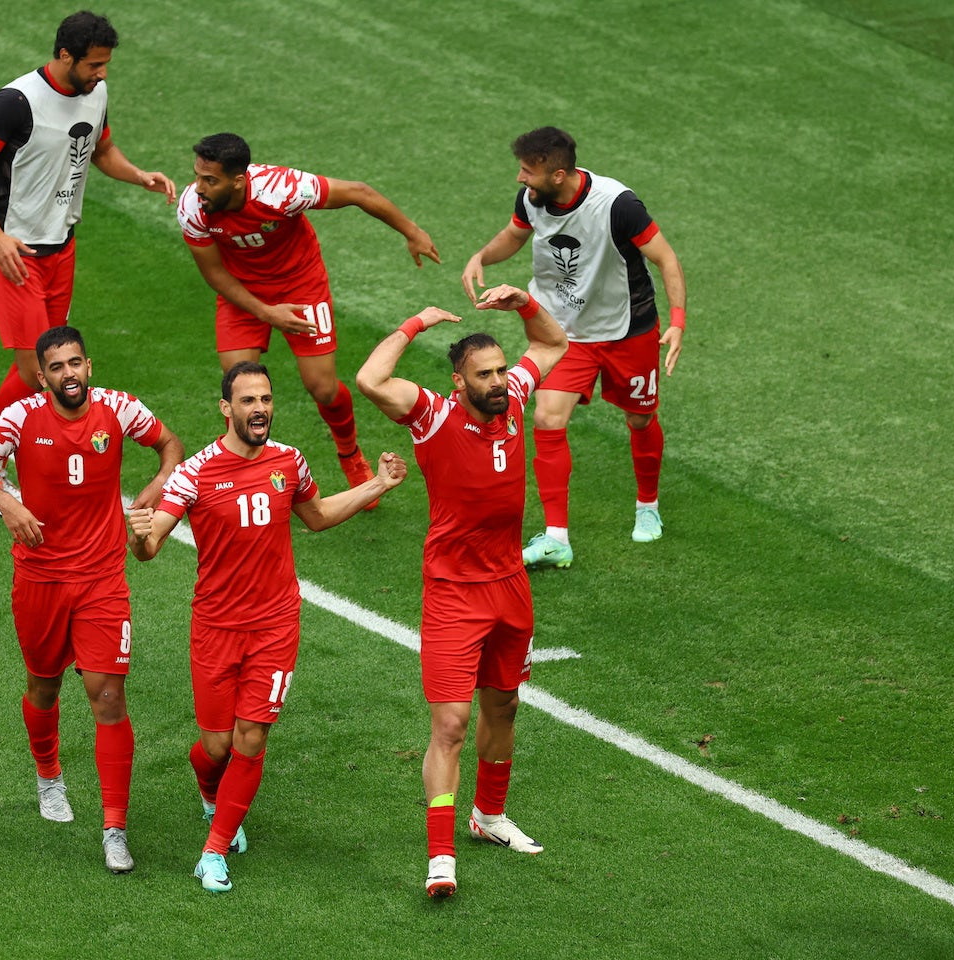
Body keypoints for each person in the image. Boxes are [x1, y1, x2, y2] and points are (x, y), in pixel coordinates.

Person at [128, 360, 406, 893]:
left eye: (266, 400)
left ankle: (213, 852)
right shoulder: (194, 473)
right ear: (226, 408)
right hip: (215, 627)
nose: (260, 410)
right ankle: (211, 789)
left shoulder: (290, 462)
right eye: (249, 401)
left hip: (276, 625)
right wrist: (139, 535)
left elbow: (318, 515)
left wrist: (378, 484)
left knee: (250, 738)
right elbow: (151, 548)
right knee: (215, 747)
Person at [356, 284, 567, 898]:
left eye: (502, 370)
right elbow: (372, 379)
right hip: (452, 593)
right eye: (486, 375)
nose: (501, 382)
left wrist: (524, 304)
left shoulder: (517, 400)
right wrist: (416, 320)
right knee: (450, 723)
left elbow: (551, 342)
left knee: (503, 707)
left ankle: (489, 817)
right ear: (458, 382)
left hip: (509, 587)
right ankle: (441, 857)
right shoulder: (433, 415)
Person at [0, 325, 184, 874]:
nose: (69, 374)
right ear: (41, 375)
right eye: (56, 367)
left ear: (89, 365)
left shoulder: (120, 409)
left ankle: (114, 828)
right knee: (44, 683)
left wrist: (160, 482)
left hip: (103, 580)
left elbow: (170, 445)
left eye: (75, 363)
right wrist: (8, 504)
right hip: (40, 580)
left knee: (108, 699)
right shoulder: (22, 417)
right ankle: (49, 775)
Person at [0, 10, 176, 505]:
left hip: (62, 247)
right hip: (14, 251)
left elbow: (102, 151)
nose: (102, 73)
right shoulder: (16, 102)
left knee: (39, 363)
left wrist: (139, 175)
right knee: (38, 368)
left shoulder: (94, 92)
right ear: (64, 55)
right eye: (95, 64)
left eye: (105, 65)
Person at [461, 126, 687, 568]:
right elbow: (514, 234)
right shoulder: (533, 199)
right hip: (562, 333)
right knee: (546, 416)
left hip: (628, 329)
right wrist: (481, 257)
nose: (520, 179)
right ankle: (557, 538)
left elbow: (666, 258)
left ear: (559, 174)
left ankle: (648, 506)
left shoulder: (618, 204)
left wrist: (677, 322)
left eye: (528, 171)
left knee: (640, 419)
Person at [176, 132, 438, 505]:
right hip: (241, 294)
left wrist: (412, 232)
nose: (199, 187)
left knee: (323, 388)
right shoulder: (192, 207)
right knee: (239, 385)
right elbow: (214, 274)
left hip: (301, 286)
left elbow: (359, 192)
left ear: (238, 180)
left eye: (210, 180)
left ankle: (350, 455)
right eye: (198, 176)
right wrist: (267, 313)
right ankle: (243, 473)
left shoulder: (281, 190)